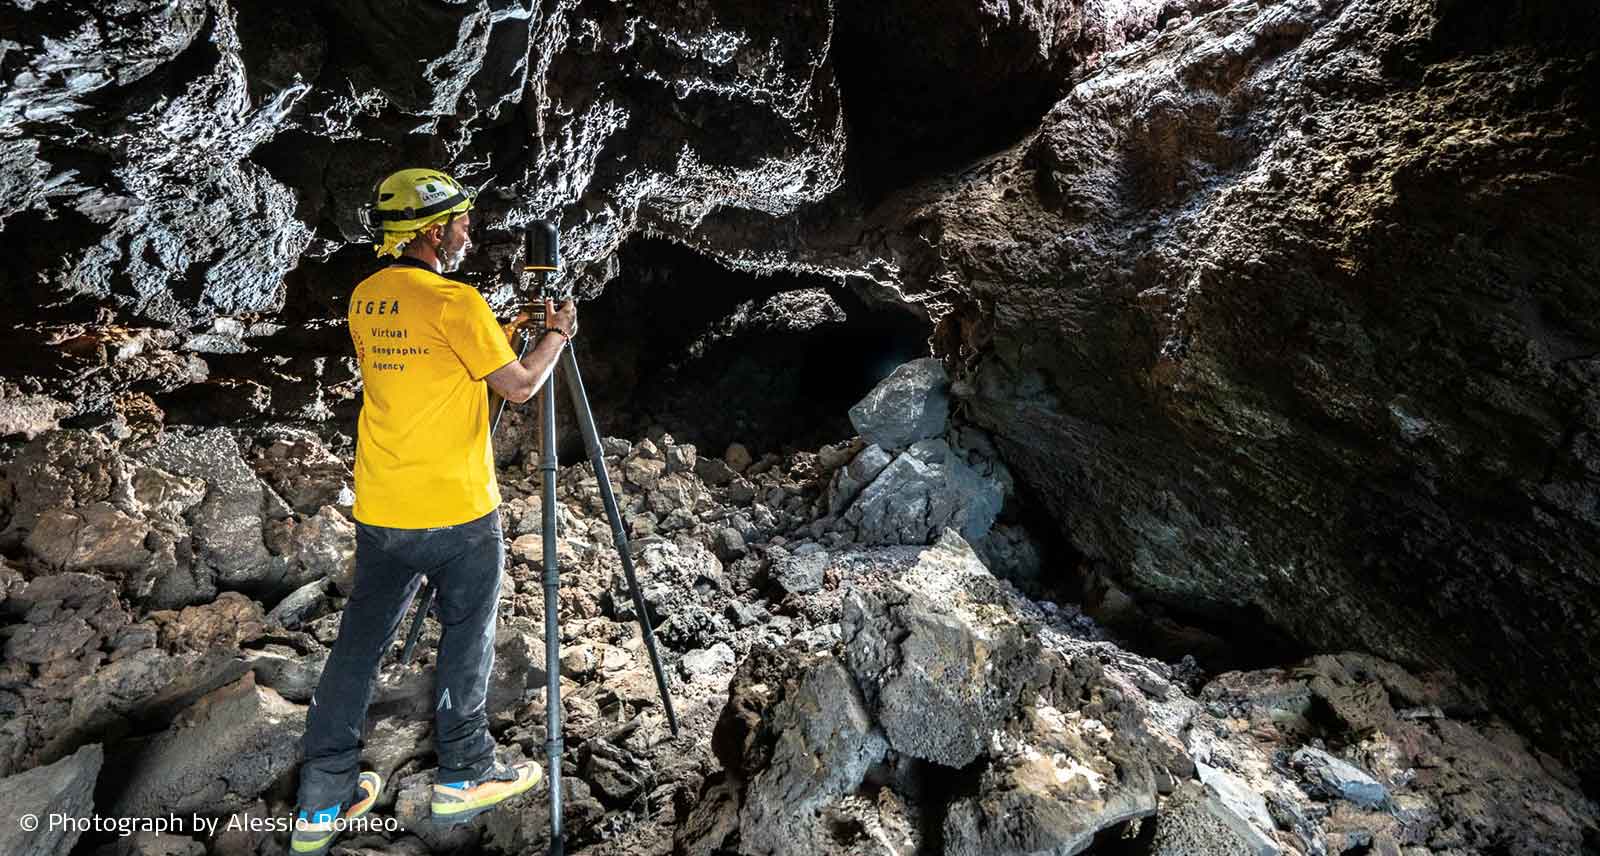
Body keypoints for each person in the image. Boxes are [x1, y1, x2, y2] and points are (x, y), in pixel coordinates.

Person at [290, 168, 577, 856]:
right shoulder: (456, 301)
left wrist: (497, 330)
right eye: (461, 223)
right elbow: (521, 384)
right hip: (456, 511)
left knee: (359, 644)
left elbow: (426, 362)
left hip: (383, 505)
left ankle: (321, 801)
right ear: (432, 229)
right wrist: (556, 335)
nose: (467, 233)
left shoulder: (367, 297)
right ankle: (466, 771)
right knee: (467, 634)